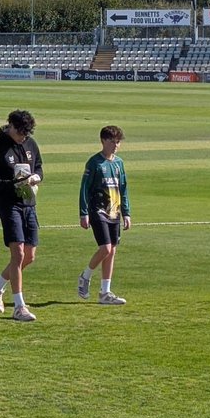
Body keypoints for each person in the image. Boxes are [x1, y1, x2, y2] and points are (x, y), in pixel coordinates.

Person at [0, 110, 43, 322]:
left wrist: (36, 177)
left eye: (27, 134)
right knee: (17, 254)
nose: (24, 138)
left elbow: (39, 167)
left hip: (29, 204)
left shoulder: (30, 144)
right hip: (9, 205)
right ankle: (19, 306)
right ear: (12, 127)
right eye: (21, 133)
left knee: (29, 256)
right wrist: (11, 185)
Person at [78, 125, 131, 305]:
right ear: (103, 141)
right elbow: (84, 188)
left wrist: (127, 213)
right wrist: (83, 213)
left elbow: (123, 189)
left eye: (118, 142)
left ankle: (105, 292)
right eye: (112, 141)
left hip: (114, 212)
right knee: (106, 248)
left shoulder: (119, 163)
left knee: (112, 251)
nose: (115, 145)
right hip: (98, 211)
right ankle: (85, 277)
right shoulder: (94, 163)